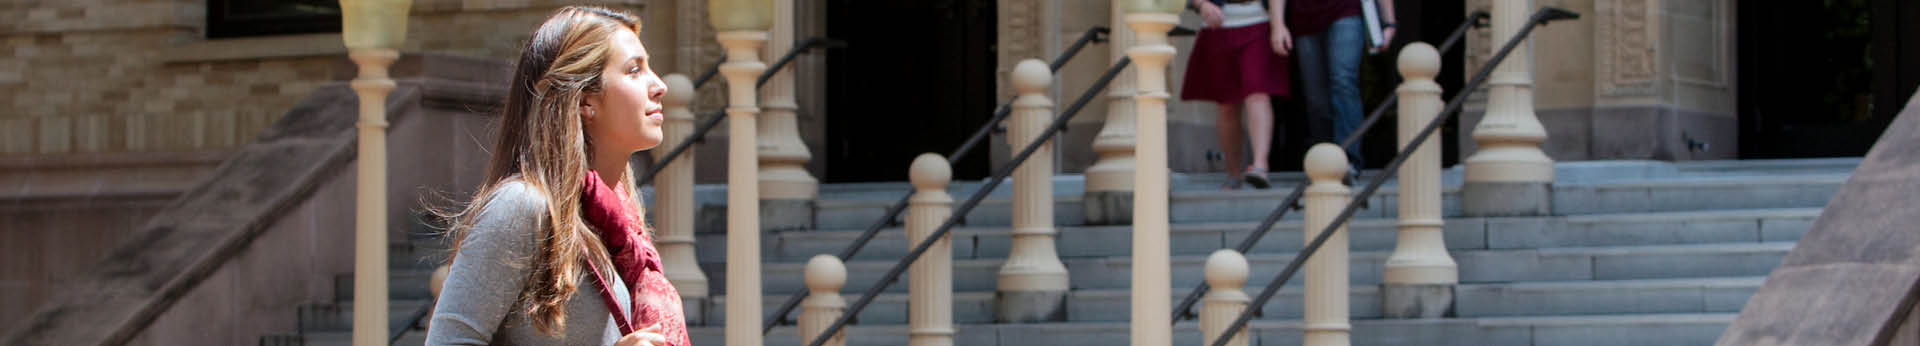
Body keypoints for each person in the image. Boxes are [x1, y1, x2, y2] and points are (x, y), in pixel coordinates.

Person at [426, 6, 686, 346]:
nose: (659, 86)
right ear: (584, 101)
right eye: (634, 70)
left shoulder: (615, 226)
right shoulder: (523, 206)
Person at [1184, 0, 1293, 189]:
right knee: (1226, 105)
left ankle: (1260, 166)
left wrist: (1278, 25)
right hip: (1217, 27)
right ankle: (1233, 174)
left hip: (1258, 20)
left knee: (1258, 93)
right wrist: (1202, 5)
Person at [1291, 0, 1394, 173]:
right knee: (1316, 98)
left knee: (1343, 81)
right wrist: (1277, 24)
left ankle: (1347, 160)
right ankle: (1323, 163)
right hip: (1304, 19)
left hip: (1347, 11)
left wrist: (1389, 21)